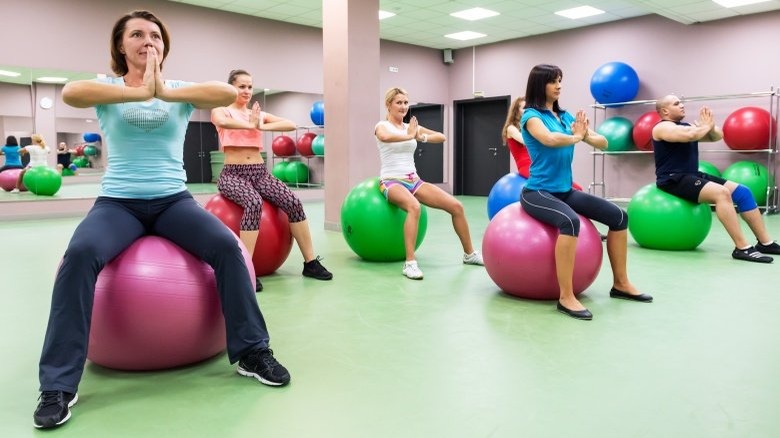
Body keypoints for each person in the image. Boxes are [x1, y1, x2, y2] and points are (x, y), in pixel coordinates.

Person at [34, 10, 290, 430]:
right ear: (121, 45)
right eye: (136, 34)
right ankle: (58, 385)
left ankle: (252, 352)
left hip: (174, 202)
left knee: (228, 247)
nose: (147, 40)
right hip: (118, 204)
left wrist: (161, 93)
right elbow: (71, 92)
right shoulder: (107, 88)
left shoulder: (179, 89)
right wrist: (136, 94)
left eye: (155, 34)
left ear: (164, 46)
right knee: (79, 255)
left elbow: (224, 91)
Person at [519, 64, 652, 320]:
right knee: (570, 221)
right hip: (536, 192)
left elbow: (603, 142)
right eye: (553, 81)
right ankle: (566, 296)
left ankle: (621, 284)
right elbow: (548, 139)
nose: (559, 86)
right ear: (539, 85)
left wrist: (584, 135)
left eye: (560, 80)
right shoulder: (531, 116)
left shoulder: (566, 116)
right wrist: (576, 137)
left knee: (619, 217)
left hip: (564, 190)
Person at [211, 69, 332, 292]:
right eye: (241, 86)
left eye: (249, 86)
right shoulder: (222, 111)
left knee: (293, 203)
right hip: (232, 174)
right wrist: (250, 124)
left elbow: (290, 124)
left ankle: (310, 262)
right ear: (231, 88)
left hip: (260, 173)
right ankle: (245, 269)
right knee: (253, 203)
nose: (247, 91)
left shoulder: (258, 115)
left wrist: (261, 125)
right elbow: (222, 123)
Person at [651, 94, 780, 263]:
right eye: (677, 103)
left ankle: (766, 243)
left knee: (743, 192)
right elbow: (690, 135)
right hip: (672, 179)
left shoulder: (685, 126)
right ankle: (742, 248)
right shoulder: (662, 128)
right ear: (665, 111)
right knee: (722, 193)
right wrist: (705, 126)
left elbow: (717, 136)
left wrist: (709, 127)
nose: (682, 105)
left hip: (691, 174)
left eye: (681, 102)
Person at [375, 87, 484, 280]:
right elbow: (385, 137)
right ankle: (410, 263)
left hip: (414, 181)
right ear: (388, 105)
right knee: (414, 207)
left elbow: (441, 136)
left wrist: (420, 136)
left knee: (456, 206)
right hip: (391, 181)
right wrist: (408, 135)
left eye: (405, 103)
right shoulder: (382, 125)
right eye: (398, 103)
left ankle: (469, 254)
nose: (403, 107)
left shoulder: (411, 127)